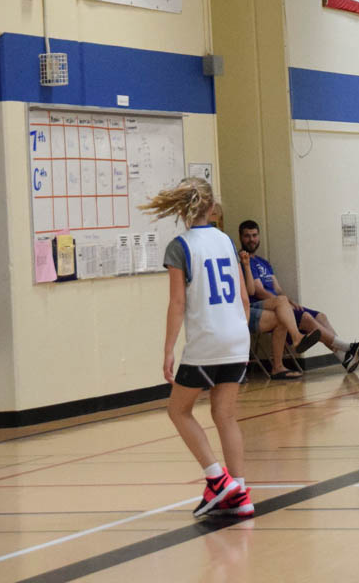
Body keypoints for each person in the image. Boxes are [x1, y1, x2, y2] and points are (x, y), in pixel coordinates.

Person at [140, 178, 254, 518]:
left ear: (182, 209)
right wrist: (238, 333)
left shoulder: (180, 246)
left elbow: (177, 303)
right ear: (211, 207)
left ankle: (217, 479)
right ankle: (240, 493)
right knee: (225, 415)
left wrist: (168, 350)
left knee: (178, 410)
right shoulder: (226, 241)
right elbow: (244, 299)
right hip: (237, 337)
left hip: (207, 340)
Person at [238, 219, 359, 373]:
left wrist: (288, 300)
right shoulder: (245, 262)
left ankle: (344, 357)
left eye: (254, 235)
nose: (251, 239)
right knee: (307, 319)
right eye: (247, 236)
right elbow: (258, 291)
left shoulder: (264, 263)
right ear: (241, 238)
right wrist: (283, 302)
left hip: (280, 304)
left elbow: (278, 288)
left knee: (321, 316)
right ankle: (347, 347)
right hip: (265, 306)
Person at [248, 299, 318, 379]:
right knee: (282, 318)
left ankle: (297, 337)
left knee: (282, 300)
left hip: (247, 305)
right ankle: (278, 367)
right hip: (237, 311)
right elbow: (252, 291)